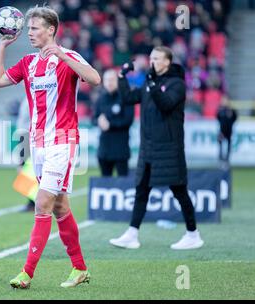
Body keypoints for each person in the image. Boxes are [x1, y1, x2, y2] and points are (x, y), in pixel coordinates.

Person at [0, 5, 101, 289]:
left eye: (35, 28)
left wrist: (63, 54)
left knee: (42, 203)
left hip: (63, 140)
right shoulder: (28, 63)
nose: (29, 33)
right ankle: (79, 269)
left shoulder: (68, 58)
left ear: (51, 30)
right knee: (61, 206)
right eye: (28, 29)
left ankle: (26, 273)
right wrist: (1, 46)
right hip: (38, 143)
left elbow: (95, 79)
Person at [110, 46, 204, 250]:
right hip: (149, 148)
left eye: (156, 58)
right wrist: (122, 75)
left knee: (179, 192)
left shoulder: (177, 84)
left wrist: (151, 84)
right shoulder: (148, 83)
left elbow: (166, 104)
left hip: (170, 149)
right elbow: (128, 98)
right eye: (151, 58)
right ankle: (132, 234)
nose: (152, 61)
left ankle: (193, 234)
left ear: (167, 62)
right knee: (141, 191)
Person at [93, 69, 134, 177]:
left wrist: (110, 124)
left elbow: (128, 120)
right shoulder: (100, 99)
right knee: (105, 182)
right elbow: (94, 119)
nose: (109, 82)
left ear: (117, 81)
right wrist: (99, 121)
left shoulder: (125, 97)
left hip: (121, 149)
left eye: (112, 80)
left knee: (123, 181)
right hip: (104, 150)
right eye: (107, 80)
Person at [216, 97, 237, 166]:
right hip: (222, 130)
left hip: (229, 130)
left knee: (228, 144)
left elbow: (235, 118)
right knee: (220, 144)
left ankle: (227, 158)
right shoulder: (220, 110)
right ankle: (220, 158)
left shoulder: (231, 110)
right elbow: (218, 117)